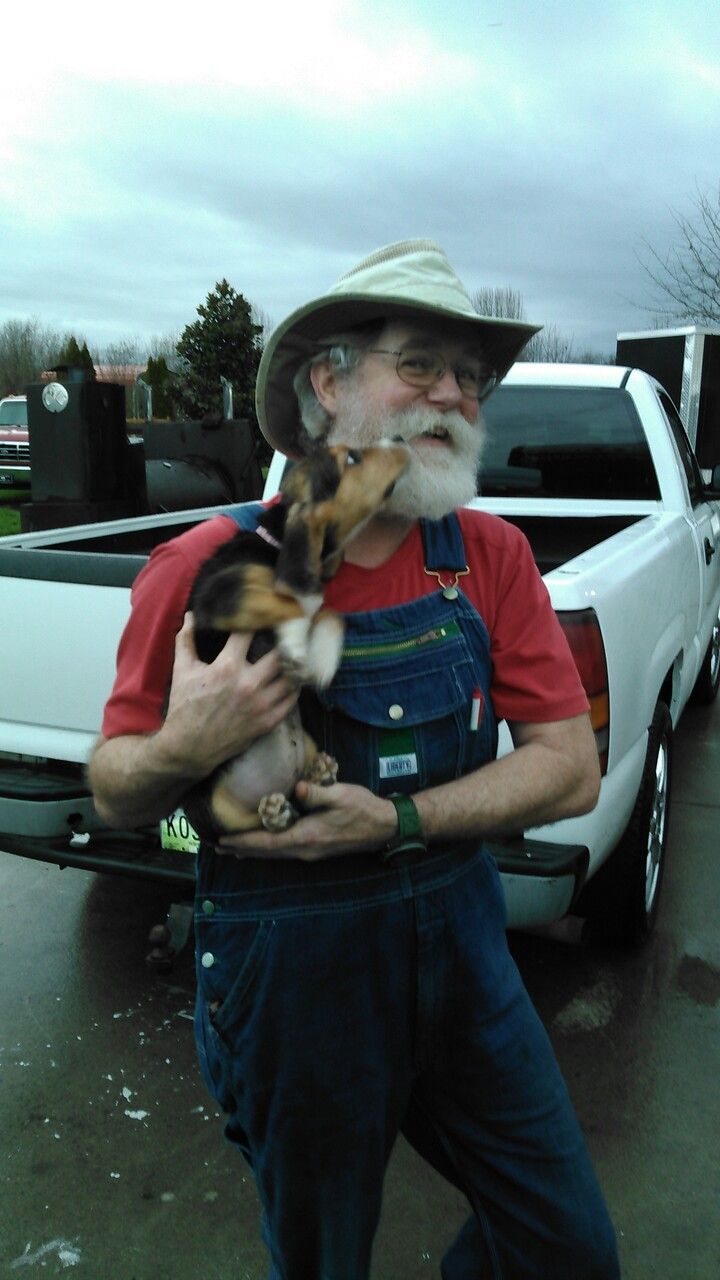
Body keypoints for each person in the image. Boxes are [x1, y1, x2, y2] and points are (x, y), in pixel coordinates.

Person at [89, 240, 621, 1280]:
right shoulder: (207, 566)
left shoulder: (489, 557)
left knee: (566, 1246)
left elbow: (570, 768)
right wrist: (186, 745)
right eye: (420, 364)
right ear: (327, 383)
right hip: (294, 974)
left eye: (472, 378)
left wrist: (404, 818)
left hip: (465, 950)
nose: (455, 396)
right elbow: (115, 792)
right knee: (323, 1256)